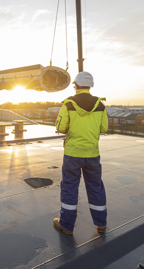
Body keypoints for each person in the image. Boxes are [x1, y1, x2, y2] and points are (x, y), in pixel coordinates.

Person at [53, 71, 108, 235]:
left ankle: (67, 226)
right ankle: (101, 224)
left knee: (70, 188)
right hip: (92, 154)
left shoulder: (68, 104)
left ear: (75, 85)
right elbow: (104, 128)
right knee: (95, 187)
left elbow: (60, 127)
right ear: (90, 86)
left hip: (73, 154)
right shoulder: (100, 105)